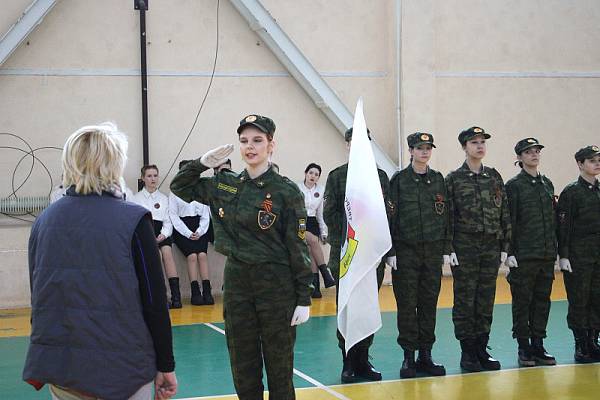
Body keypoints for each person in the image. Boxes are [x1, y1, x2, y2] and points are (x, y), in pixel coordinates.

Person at [23, 122, 177, 400]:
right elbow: (155, 301)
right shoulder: (134, 220)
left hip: (64, 371)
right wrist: (166, 365)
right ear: (115, 163)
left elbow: (40, 298)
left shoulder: (44, 221)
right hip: (126, 370)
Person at [170, 114, 313, 400]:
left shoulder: (286, 191)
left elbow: (297, 247)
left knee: (279, 369)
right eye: (244, 140)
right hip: (238, 284)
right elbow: (179, 187)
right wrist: (202, 163)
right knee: (243, 365)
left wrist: (303, 297)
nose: (250, 146)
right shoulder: (226, 184)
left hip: (276, 286)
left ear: (271, 145)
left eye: (257, 140)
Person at [323, 127, 395, 383]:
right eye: (353, 141)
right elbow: (329, 214)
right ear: (347, 145)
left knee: (366, 307)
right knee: (346, 308)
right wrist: (352, 239)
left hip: (371, 256)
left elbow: (387, 214)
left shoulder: (380, 176)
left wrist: (377, 245)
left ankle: (363, 360)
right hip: (347, 255)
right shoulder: (337, 176)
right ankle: (348, 361)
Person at [445, 126, 511, 372]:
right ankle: (468, 352)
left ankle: (482, 348)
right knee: (465, 299)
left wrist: (505, 245)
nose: (480, 146)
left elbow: (504, 211)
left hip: (490, 247)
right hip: (465, 247)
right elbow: (448, 216)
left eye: (483, 142)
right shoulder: (453, 179)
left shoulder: (493, 177)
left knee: (485, 299)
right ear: (464, 147)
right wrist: (449, 247)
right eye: (474, 142)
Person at [389, 132, 448, 378]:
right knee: (406, 305)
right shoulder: (399, 180)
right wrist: (391, 251)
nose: (425, 152)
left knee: (428, 305)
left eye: (428, 148)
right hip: (406, 253)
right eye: (420, 148)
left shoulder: (438, 180)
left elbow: (446, 216)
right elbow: (390, 217)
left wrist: (446, 249)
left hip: (431, 253)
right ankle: (408, 357)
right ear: (411, 151)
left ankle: (426, 355)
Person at [505, 138, 557, 367]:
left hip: (545, 254)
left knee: (542, 302)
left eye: (536, 151)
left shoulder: (547, 184)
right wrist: (510, 252)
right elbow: (510, 221)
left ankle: (538, 343)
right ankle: (523, 346)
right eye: (528, 152)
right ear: (519, 157)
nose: (534, 155)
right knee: (522, 302)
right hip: (524, 256)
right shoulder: (514, 186)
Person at [556, 145, 600, 363]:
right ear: (580, 164)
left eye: (598, 160)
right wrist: (563, 255)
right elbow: (563, 226)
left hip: (598, 255)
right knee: (579, 300)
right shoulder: (571, 192)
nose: (597, 164)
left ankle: (593, 340)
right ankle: (581, 344)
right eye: (592, 160)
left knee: (597, 298)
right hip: (578, 256)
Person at [132, 165, 182, 309]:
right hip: (145, 234)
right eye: (149, 176)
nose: (153, 179)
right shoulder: (136, 199)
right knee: (156, 256)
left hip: (161, 233)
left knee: (167, 253)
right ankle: (161, 297)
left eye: (155, 175)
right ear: (143, 178)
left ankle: (176, 296)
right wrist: (149, 237)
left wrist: (163, 235)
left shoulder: (164, 198)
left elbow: (168, 221)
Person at [170, 160, 214, 305]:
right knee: (192, 256)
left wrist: (200, 231)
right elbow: (173, 216)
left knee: (202, 255)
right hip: (182, 229)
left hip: (199, 227)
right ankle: (195, 292)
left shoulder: (200, 191)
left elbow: (205, 214)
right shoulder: (174, 192)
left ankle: (207, 291)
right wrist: (188, 233)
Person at [297, 162, 335, 298]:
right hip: (299, 221)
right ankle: (325, 273)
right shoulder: (297, 187)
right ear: (305, 173)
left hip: (313, 222)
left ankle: (315, 288)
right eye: (311, 173)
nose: (313, 176)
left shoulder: (321, 190)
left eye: (316, 174)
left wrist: (324, 231)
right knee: (313, 241)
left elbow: (320, 213)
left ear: (318, 177)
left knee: (311, 252)